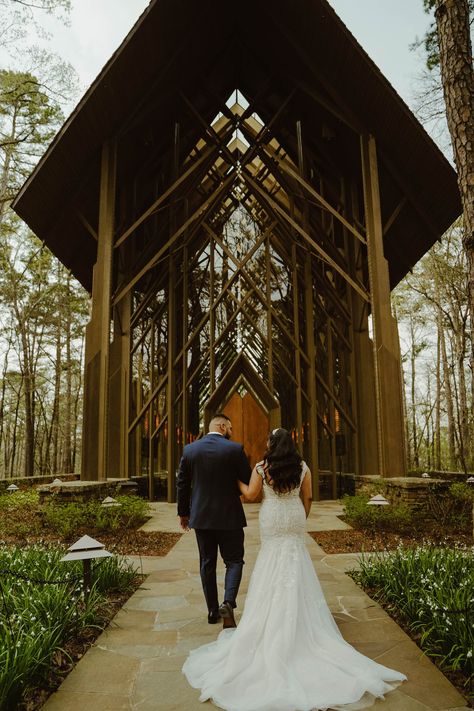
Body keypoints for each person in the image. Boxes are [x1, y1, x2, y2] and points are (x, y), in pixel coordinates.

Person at [182, 428, 406, 711]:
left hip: (272, 519)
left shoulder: (262, 467)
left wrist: (235, 482)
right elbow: (309, 498)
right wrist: (301, 519)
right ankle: (299, 620)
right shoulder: (303, 467)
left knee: (270, 562)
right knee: (295, 563)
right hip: (293, 518)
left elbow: (251, 495)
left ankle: (267, 621)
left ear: (272, 445)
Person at [176, 413, 252, 627]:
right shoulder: (234, 449)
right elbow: (246, 479)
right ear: (221, 425)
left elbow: (182, 484)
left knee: (207, 563)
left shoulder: (190, 450)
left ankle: (212, 611)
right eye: (230, 427)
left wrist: (184, 513)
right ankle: (228, 602)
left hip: (202, 517)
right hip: (230, 516)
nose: (232, 431)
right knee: (234, 560)